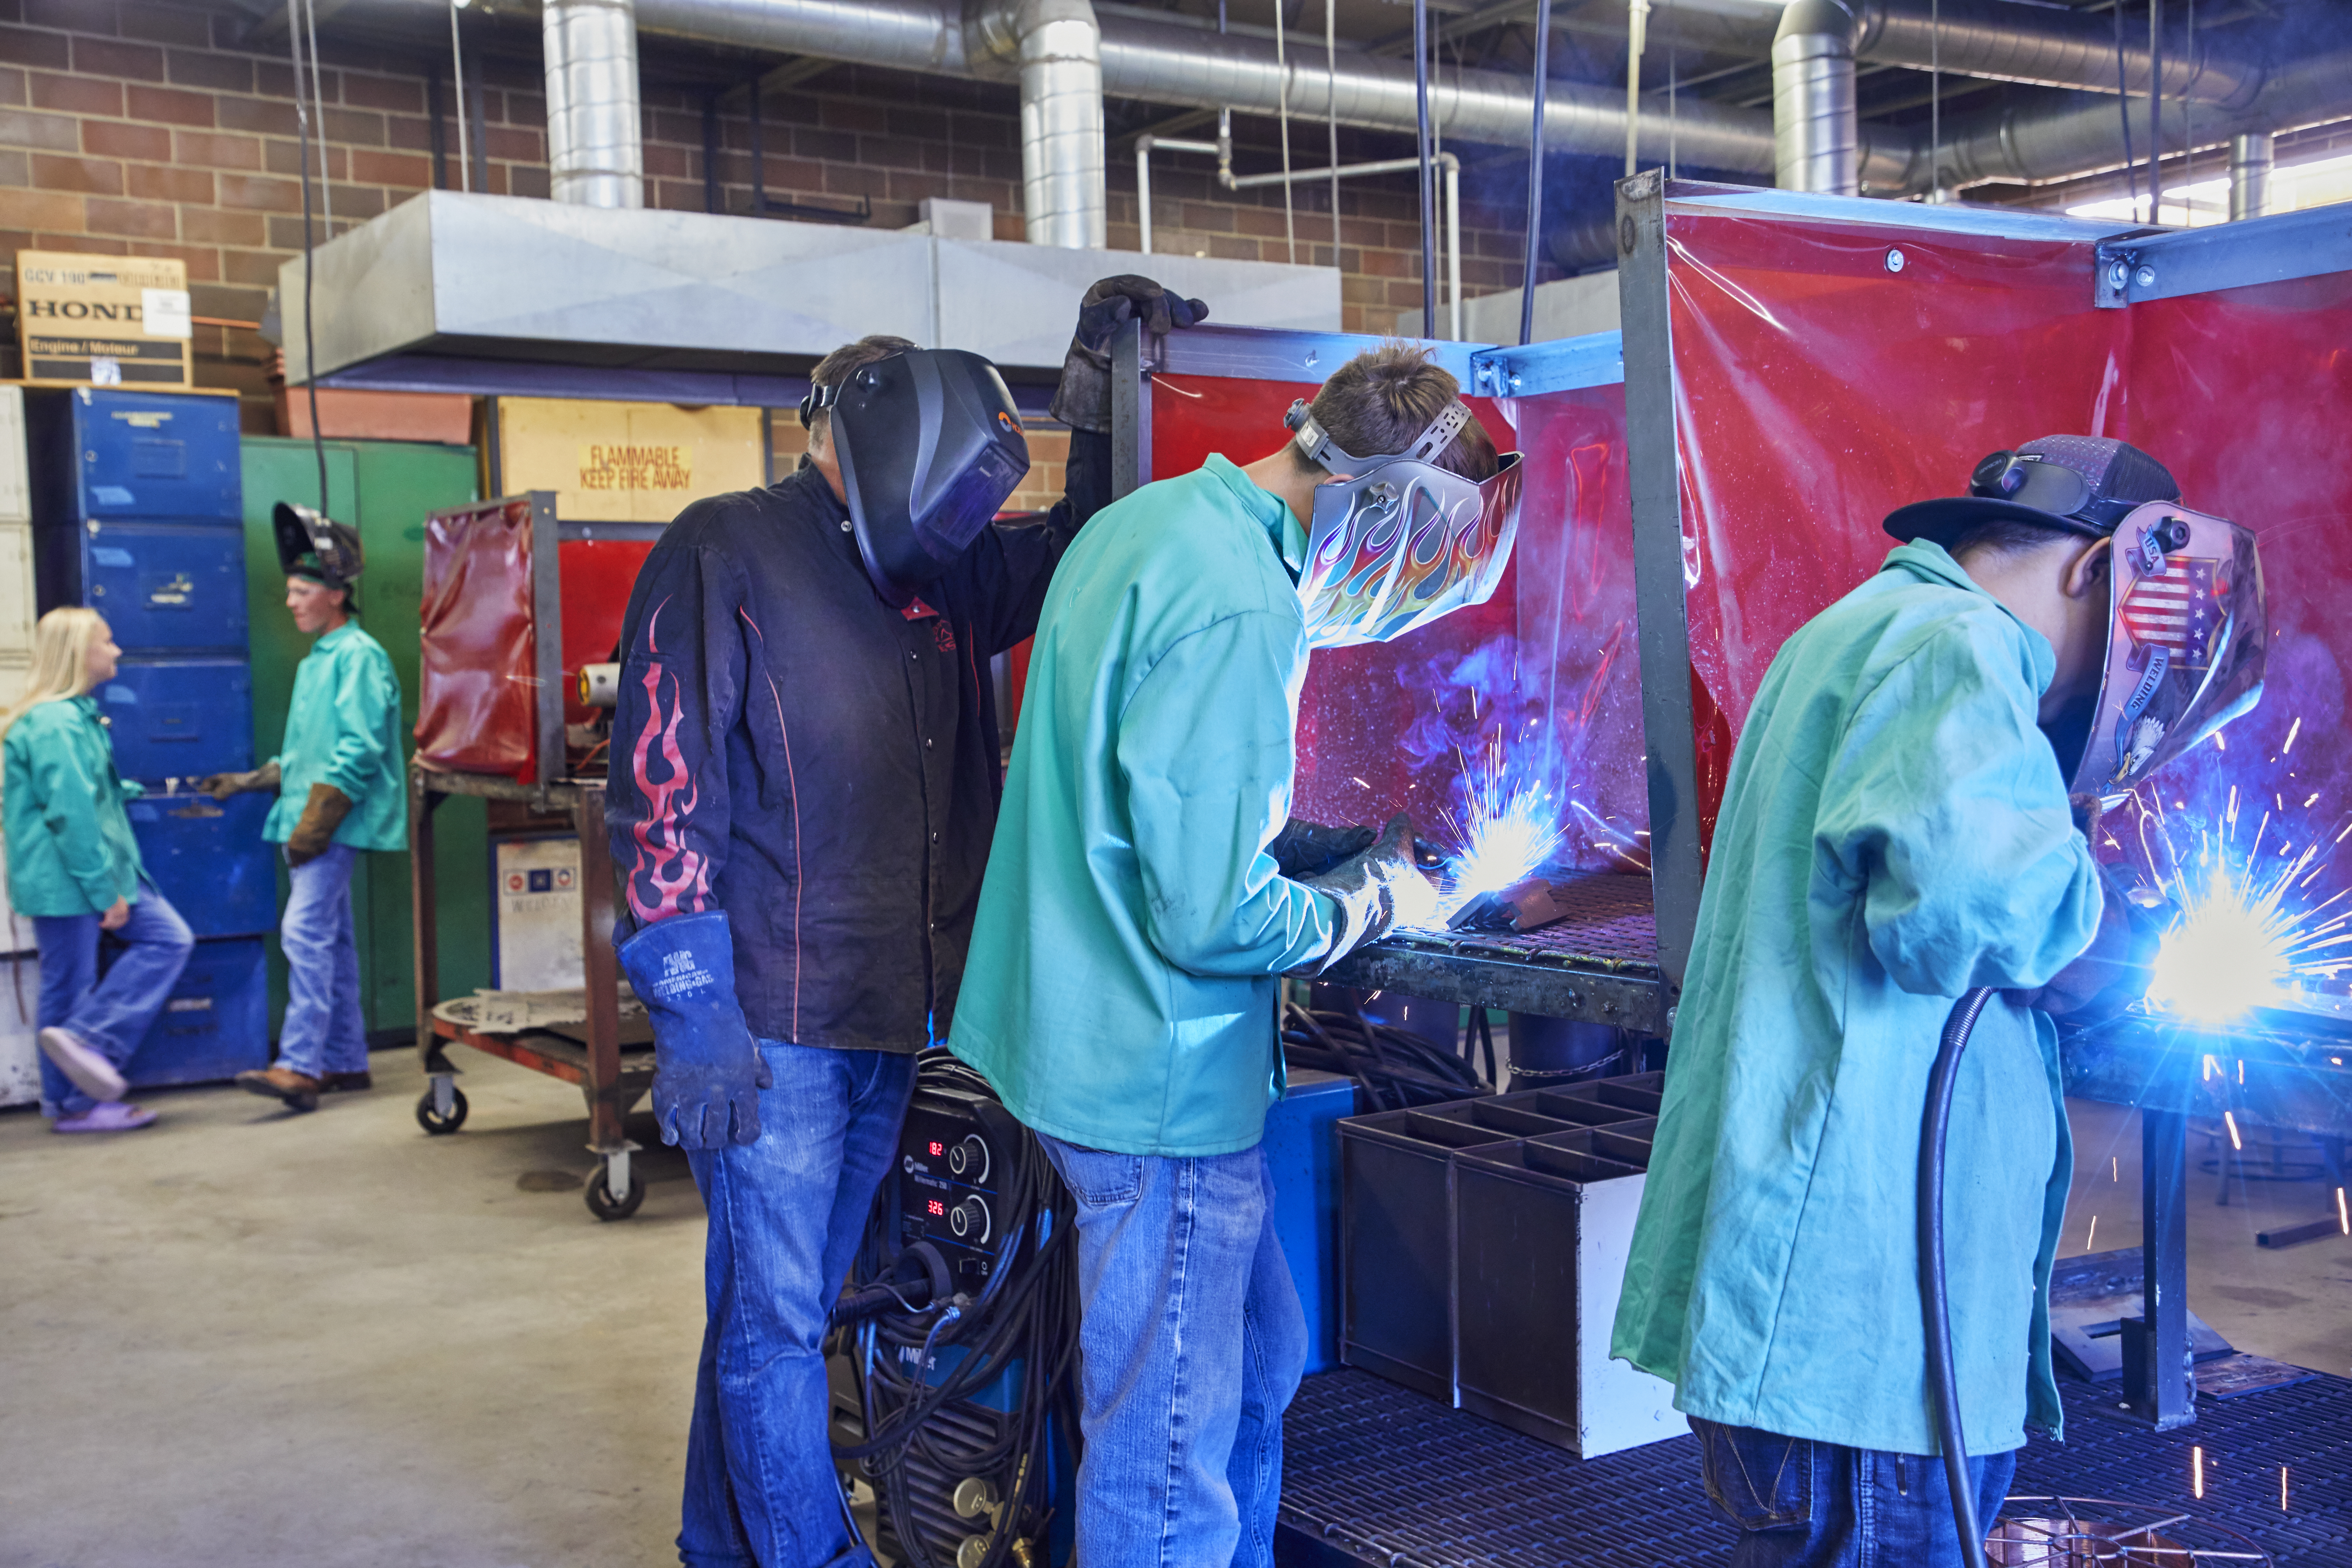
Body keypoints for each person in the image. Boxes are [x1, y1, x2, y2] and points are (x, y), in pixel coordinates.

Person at [602, 277, 1205, 1568]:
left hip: (907, 1013)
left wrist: (1097, 370)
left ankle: (725, 1543)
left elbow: (1087, 529)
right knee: (772, 1322)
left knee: (798, 1311)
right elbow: (662, 784)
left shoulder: (943, 566)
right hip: (775, 1023)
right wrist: (689, 1001)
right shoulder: (726, 550)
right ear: (840, 427)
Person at [1610, 436, 2234, 1567]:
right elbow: (1973, 917)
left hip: (1808, 1300)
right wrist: (2114, 930)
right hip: (1869, 1331)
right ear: (2100, 572)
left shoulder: (1856, 629)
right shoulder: (1965, 649)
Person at [947, 344, 1521, 1568]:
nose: (1407, 582)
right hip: (1155, 1074)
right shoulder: (1246, 604)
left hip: (1072, 1020)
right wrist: (1375, 902)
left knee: (1257, 1353)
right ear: (1378, 504)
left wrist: (1306, 844)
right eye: (1419, 545)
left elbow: (1135, 773)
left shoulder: (1152, 523)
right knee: (1167, 1449)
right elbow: (1216, 921)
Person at [199, 506, 405, 1114]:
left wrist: (318, 822)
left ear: (335, 596)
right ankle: (345, 1058)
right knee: (333, 940)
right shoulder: (320, 659)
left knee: (304, 933)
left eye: (301, 591)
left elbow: (359, 750)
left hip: (333, 824)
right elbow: (309, 752)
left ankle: (300, 1065)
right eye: (290, 591)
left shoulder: (358, 656)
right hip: (313, 819)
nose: (290, 602)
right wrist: (253, 779)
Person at [2, 608, 195, 1133]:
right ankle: (76, 1096)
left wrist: (137, 791)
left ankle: (80, 1067)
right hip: (72, 880)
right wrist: (104, 890)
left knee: (167, 940)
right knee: (70, 986)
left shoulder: (75, 716)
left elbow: (91, 793)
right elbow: (71, 814)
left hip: (96, 872)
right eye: (107, 643)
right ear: (77, 654)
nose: (117, 652)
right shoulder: (55, 724)